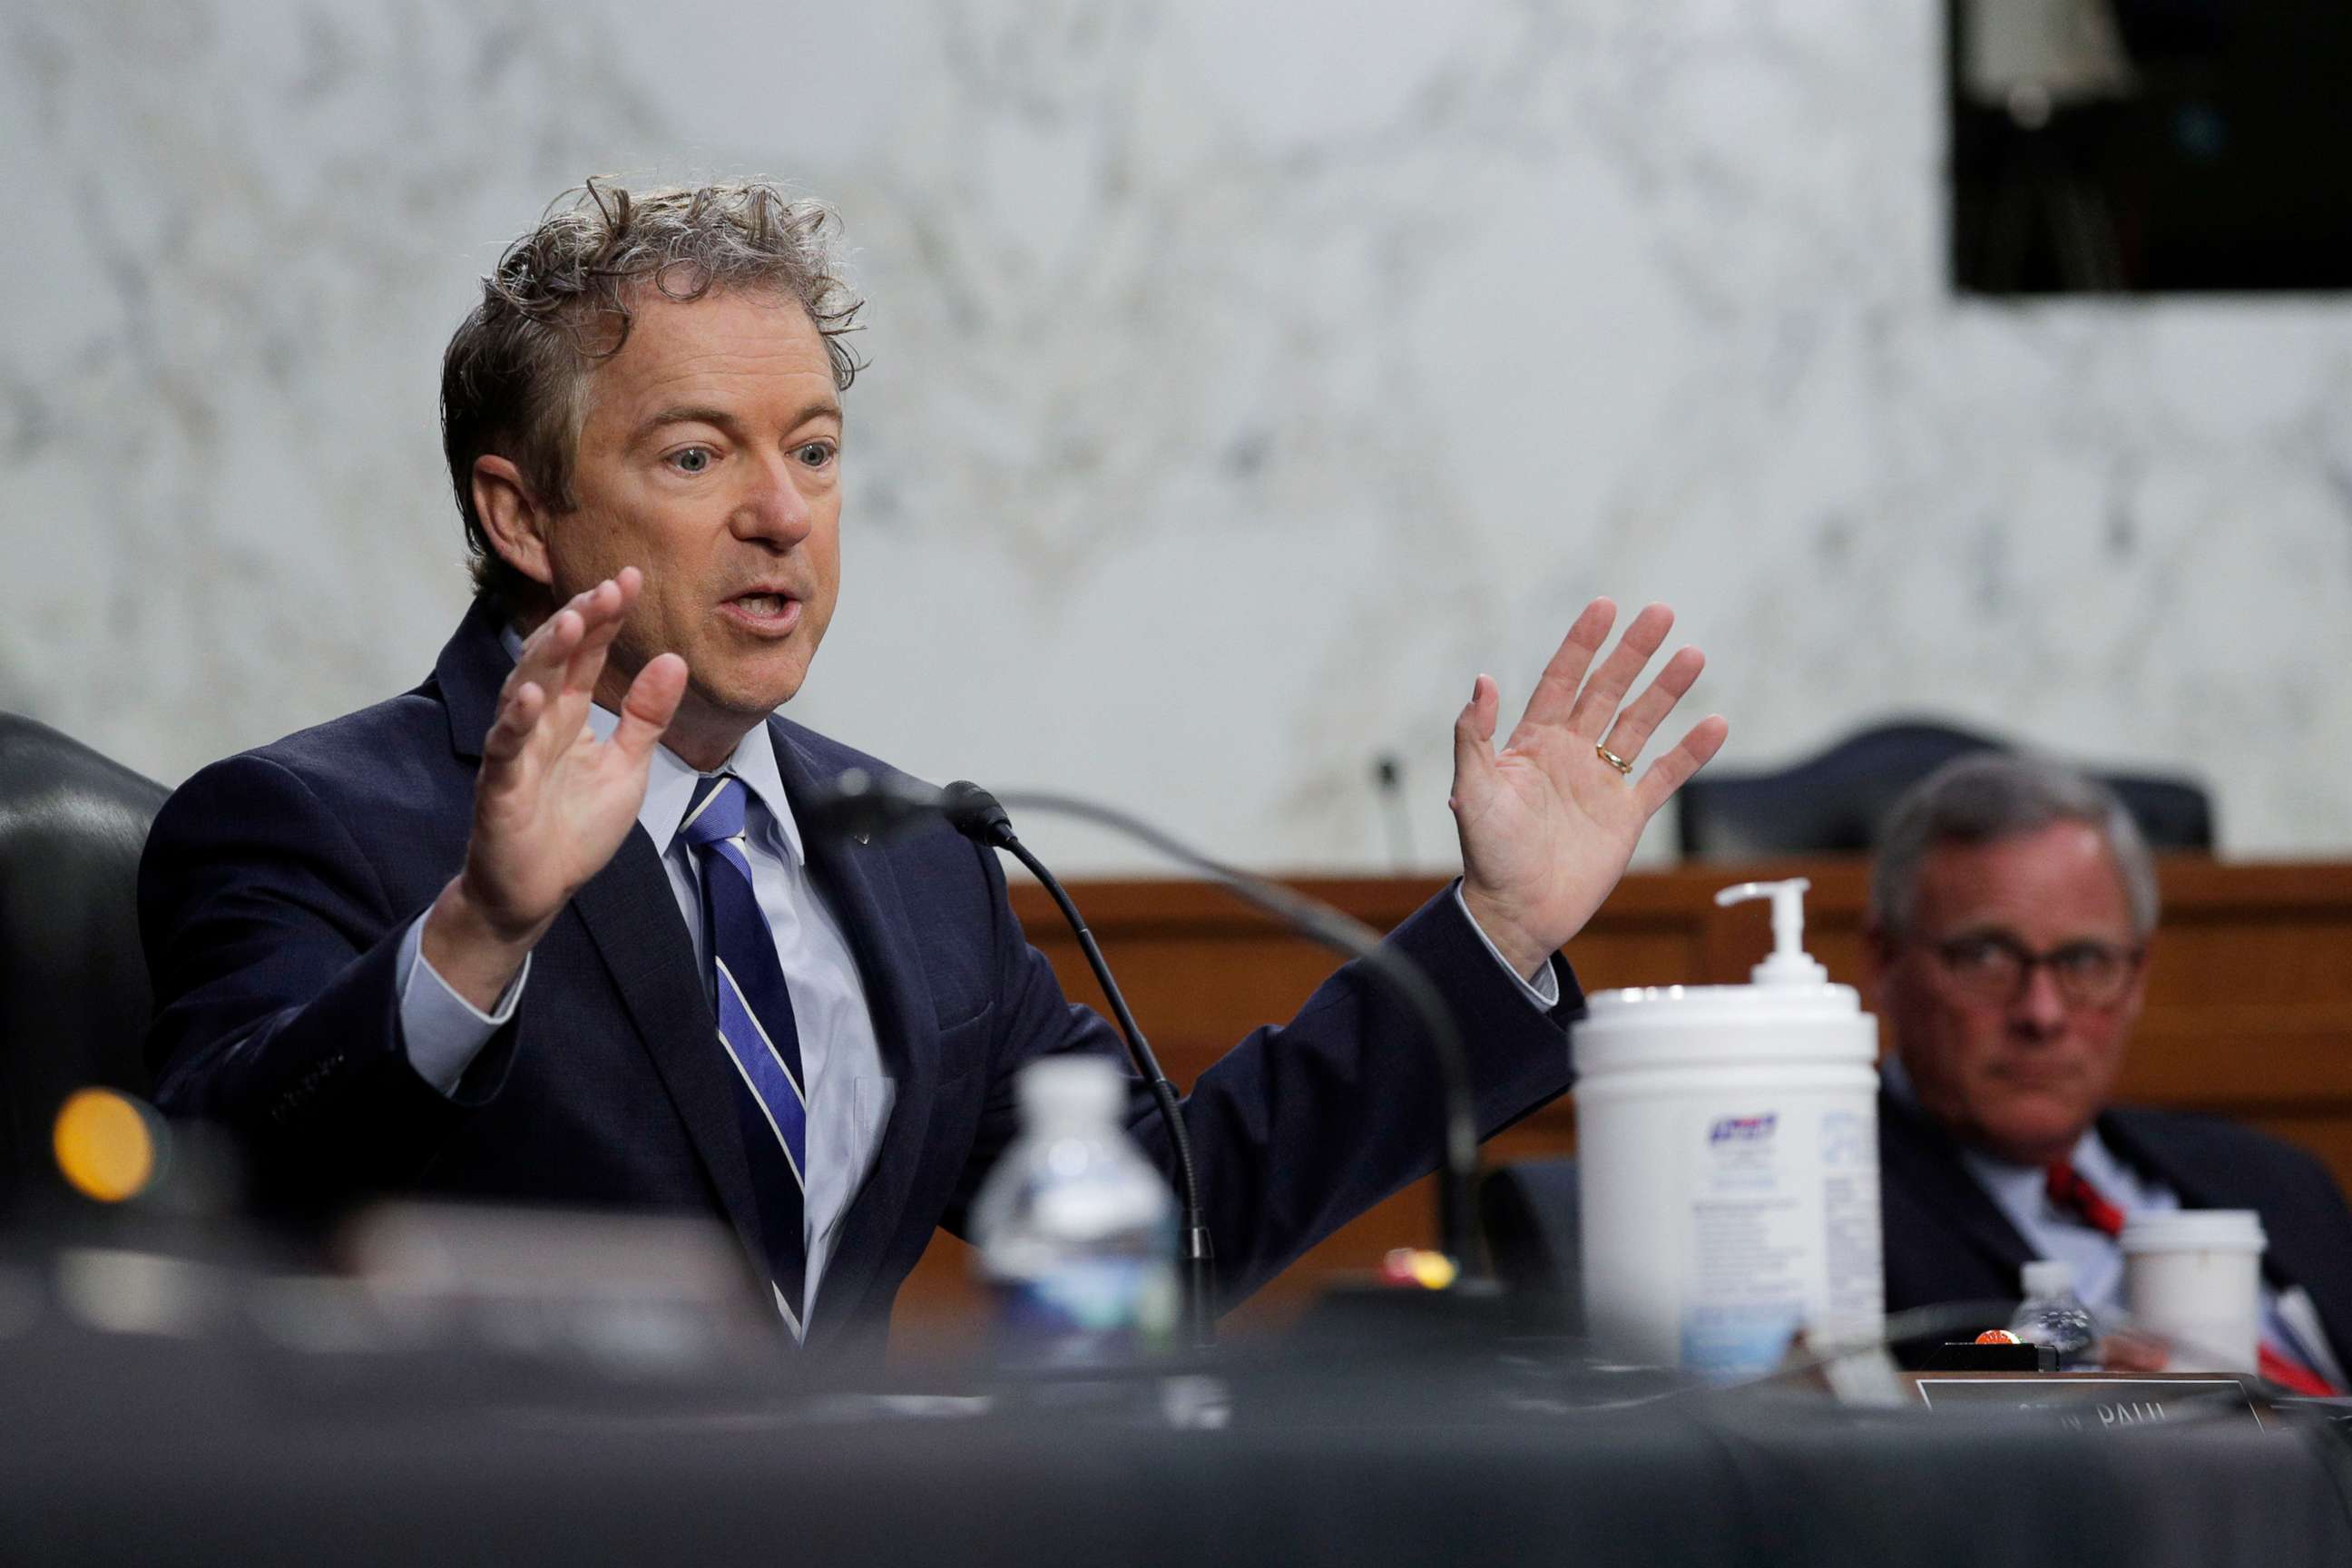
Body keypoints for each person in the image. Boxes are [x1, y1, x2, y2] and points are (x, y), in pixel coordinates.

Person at [138, 181, 1729, 1353]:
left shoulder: (902, 852)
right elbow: (215, 1203)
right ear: (518, 512)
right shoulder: (314, 822)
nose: (782, 513)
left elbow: (1179, 1219)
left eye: (814, 449)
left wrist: (1496, 927)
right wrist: (480, 928)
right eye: (696, 454)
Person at [1867, 752, 2352, 1387]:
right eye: (1986, 957)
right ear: (1884, 962)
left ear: (2137, 979)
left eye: (2085, 960)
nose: (2041, 1013)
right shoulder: (1822, 1214)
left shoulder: (2277, 1179)